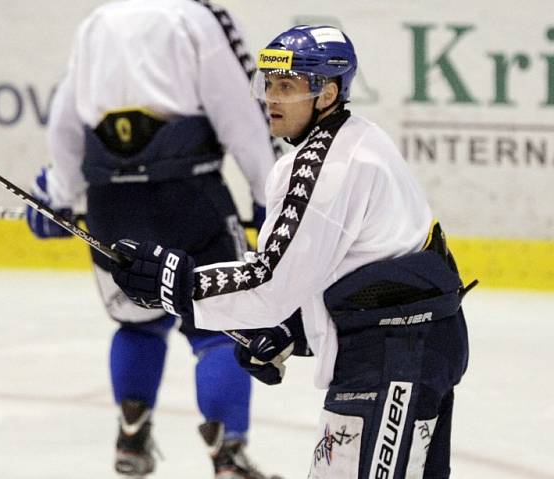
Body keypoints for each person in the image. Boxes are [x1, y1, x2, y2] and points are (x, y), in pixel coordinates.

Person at [110, 24, 473, 478]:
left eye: (288, 86)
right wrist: (294, 327)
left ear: (328, 93)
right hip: (412, 345)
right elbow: (350, 261)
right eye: (269, 84)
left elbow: (273, 280)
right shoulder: (358, 137)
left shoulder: (324, 167)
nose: (272, 98)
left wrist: (177, 285)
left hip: (395, 357)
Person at [26, 1, 283, 477]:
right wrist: (270, 196)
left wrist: (58, 195)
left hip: (110, 208)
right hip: (186, 201)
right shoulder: (196, 18)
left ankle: (131, 438)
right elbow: (241, 114)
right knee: (221, 331)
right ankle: (228, 457)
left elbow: (67, 118)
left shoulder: (96, 22)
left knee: (137, 323)